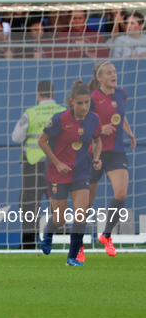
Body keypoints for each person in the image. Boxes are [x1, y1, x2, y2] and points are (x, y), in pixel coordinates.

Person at [38, 80, 102, 266]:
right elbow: (42, 141)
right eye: (79, 103)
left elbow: (97, 141)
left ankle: (72, 257)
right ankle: (48, 233)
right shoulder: (59, 119)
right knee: (60, 218)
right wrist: (57, 163)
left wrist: (97, 157)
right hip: (58, 173)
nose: (84, 107)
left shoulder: (94, 120)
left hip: (81, 172)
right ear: (72, 101)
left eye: (87, 102)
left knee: (81, 214)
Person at [86, 62, 136, 259]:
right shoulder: (92, 99)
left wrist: (130, 134)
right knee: (86, 204)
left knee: (121, 193)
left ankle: (106, 235)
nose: (114, 75)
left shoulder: (121, 94)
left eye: (114, 72)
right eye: (109, 73)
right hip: (95, 154)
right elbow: (83, 124)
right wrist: (99, 130)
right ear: (100, 78)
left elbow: (120, 116)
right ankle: (78, 243)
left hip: (116, 152)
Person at [12, 81, 66, 249]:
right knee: (58, 205)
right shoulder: (63, 113)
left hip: (34, 166)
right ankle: (66, 244)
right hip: (57, 166)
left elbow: (16, 137)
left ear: (38, 94)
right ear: (54, 94)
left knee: (29, 206)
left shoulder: (31, 113)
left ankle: (28, 245)